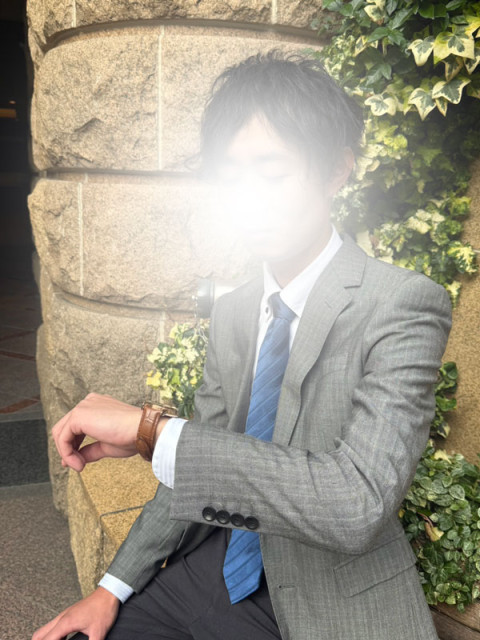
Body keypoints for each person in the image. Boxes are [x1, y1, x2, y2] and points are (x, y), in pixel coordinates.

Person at [33, 51, 451, 640]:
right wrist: (111, 587)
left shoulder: (402, 303)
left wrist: (153, 431)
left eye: (272, 174)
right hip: (210, 565)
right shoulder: (234, 311)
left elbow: (358, 502)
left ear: (337, 170)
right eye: (233, 178)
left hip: (327, 596)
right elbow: (196, 462)